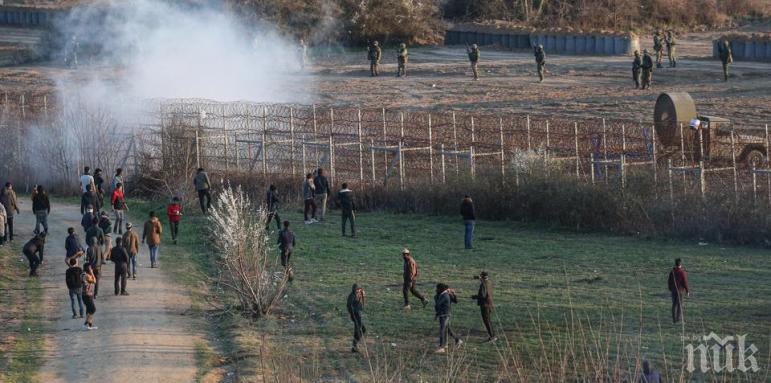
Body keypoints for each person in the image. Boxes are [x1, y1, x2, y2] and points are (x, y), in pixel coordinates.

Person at [434, 283, 462, 354]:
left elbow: (438, 304)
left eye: (437, 288)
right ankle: (457, 340)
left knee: (442, 330)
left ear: (440, 289)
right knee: (447, 329)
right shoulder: (445, 294)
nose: (436, 290)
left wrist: (436, 296)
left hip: (445, 315)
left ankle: (442, 347)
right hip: (444, 315)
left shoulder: (445, 295)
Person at [471, 271, 496, 342]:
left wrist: (475, 297)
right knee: (488, 320)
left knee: (487, 321)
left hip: (485, 305)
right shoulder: (489, 282)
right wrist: (479, 278)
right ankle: (492, 335)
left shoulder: (483, 284)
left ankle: (492, 336)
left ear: (482, 277)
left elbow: (482, 295)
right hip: (489, 304)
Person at [668, 258, 690, 324]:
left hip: (673, 290)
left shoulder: (672, 272)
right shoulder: (682, 272)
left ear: (675, 264)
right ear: (680, 264)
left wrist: (670, 288)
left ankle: (674, 320)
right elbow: (685, 282)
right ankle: (678, 319)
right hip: (680, 291)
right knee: (679, 305)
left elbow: (669, 281)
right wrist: (687, 291)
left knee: (674, 305)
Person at [346, 283, 367, 353]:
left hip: (358, 315)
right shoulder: (352, 296)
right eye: (358, 289)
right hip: (356, 316)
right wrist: (353, 315)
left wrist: (362, 296)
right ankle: (354, 346)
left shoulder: (357, 295)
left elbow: (361, 304)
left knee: (362, 330)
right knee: (359, 330)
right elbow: (349, 306)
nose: (359, 290)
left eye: (359, 289)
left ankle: (354, 345)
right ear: (355, 289)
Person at [82, 263, 97, 330]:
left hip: (85, 294)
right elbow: (94, 281)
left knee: (88, 309)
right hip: (88, 295)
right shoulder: (87, 276)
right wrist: (92, 273)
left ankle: (90, 324)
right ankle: (86, 322)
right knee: (93, 309)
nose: (91, 269)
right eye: (90, 268)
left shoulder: (83, 274)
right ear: (88, 268)